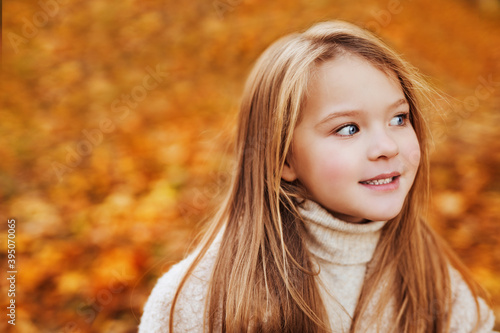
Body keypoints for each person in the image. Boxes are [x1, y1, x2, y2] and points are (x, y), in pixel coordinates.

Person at [139, 20, 496, 332]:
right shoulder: (198, 301)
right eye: (348, 129)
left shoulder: (439, 288)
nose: (386, 145)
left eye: (399, 119)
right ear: (283, 159)